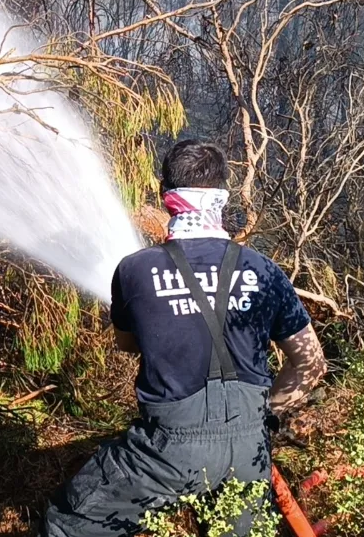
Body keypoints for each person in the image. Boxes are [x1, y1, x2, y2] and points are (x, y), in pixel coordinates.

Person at [40, 140, 327, 537]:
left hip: (169, 451)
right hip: (249, 452)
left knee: (67, 524)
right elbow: (311, 363)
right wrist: (264, 418)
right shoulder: (265, 270)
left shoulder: (135, 270)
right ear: (223, 195)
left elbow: (127, 344)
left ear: (165, 194)